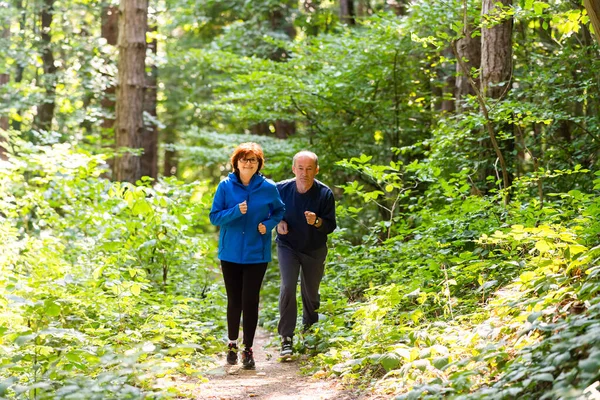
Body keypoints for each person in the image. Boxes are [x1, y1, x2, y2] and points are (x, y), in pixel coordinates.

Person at [209, 142, 285, 369]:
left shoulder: (269, 187)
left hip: (256, 253)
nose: (248, 163)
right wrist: (235, 211)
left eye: (252, 159)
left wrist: (269, 224)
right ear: (236, 162)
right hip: (230, 252)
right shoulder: (225, 186)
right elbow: (214, 217)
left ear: (259, 163)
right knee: (234, 300)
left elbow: (280, 210)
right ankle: (232, 344)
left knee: (250, 301)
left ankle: (248, 349)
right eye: (244, 159)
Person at [276, 150, 336, 358]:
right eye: (300, 168)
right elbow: (270, 213)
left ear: (316, 170)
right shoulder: (281, 190)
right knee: (288, 285)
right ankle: (286, 338)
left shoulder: (324, 193)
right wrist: (278, 223)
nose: (304, 173)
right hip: (288, 246)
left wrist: (317, 221)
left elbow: (330, 225)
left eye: (309, 168)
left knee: (311, 293)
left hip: (314, 248)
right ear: (293, 169)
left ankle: (310, 334)